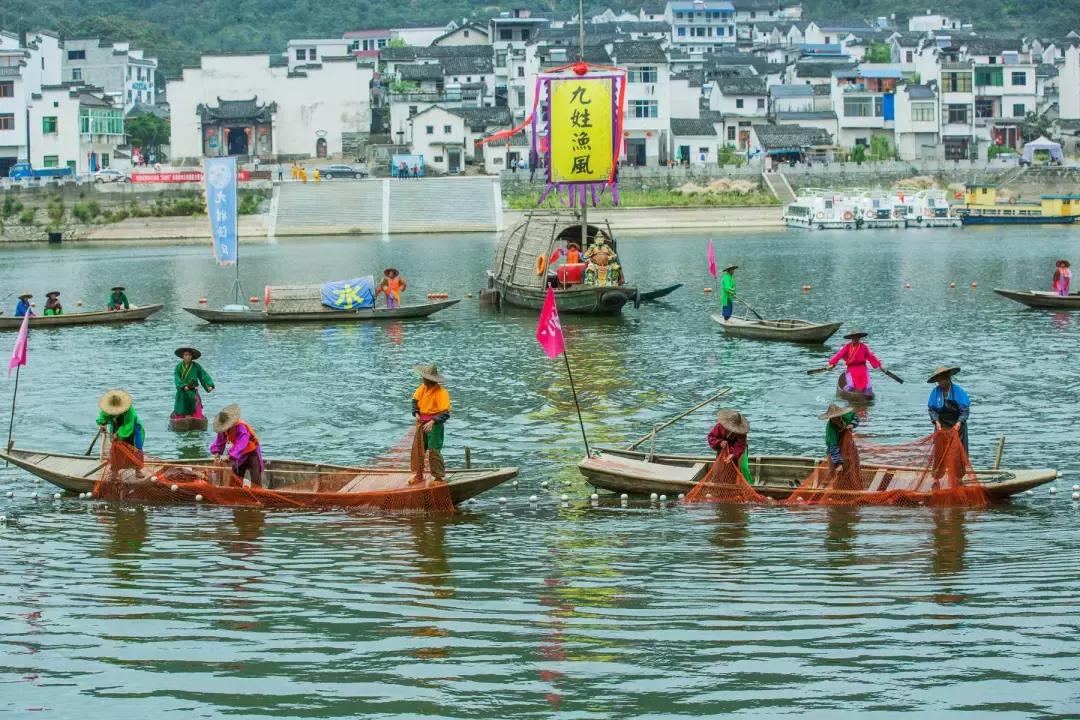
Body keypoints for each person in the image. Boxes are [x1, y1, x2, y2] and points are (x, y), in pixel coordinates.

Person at [411, 364, 451, 484]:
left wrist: (433, 421)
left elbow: (445, 412)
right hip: (421, 423)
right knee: (418, 450)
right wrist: (416, 413)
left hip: (435, 424)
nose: (423, 380)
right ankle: (418, 475)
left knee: (434, 450)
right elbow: (415, 401)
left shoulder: (441, 392)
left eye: (425, 378)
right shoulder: (422, 388)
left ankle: (438, 477)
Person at [210, 404, 264, 487]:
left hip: (251, 453)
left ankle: (259, 495)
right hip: (238, 456)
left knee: (255, 479)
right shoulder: (223, 430)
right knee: (236, 479)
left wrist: (231, 456)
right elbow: (219, 442)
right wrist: (217, 453)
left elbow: (242, 443)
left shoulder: (241, 427)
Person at [97, 389, 145, 467]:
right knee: (115, 447)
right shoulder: (107, 408)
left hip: (133, 428)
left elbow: (128, 426)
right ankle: (115, 470)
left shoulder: (129, 411)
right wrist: (102, 424)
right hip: (116, 426)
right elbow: (102, 418)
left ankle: (137, 469)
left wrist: (118, 434)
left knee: (136, 448)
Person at [828, 330, 887, 394]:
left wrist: (879, 364)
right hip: (851, 369)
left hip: (862, 369)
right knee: (851, 385)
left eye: (856, 337)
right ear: (851, 338)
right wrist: (832, 363)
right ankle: (851, 395)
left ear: (859, 338)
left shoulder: (863, 347)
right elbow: (839, 354)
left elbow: (871, 356)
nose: (854, 338)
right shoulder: (847, 346)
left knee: (866, 387)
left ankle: (862, 397)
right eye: (853, 337)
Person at [927, 365, 970, 453]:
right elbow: (932, 409)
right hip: (941, 426)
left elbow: (965, 410)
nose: (941, 381)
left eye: (943, 378)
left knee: (958, 451)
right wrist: (936, 421)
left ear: (948, 378)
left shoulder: (958, 391)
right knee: (941, 451)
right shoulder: (935, 392)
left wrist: (959, 422)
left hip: (957, 426)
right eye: (939, 380)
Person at [707, 409, 753, 483]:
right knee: (720, 470)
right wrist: (720, 443)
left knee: (743, 469)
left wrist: (734, 455)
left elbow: (741, 445)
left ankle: (747, 485)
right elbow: (711, 437)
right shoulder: (719, 426)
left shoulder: (741, 431)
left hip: (738, 451)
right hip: (723, 450)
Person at [172, 347, 215, 421]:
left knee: (196, 410)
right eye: (186, 355)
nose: (187, 357)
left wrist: (209, 385)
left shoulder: (196, 366)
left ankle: (197, 420)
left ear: (192, 356)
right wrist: (183, 386)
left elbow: (203, 376)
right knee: (181, 409)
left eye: (189, 355)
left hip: (192, 392)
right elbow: (177, 378)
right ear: (183, 356)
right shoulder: (178, 367)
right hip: (182, 392)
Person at [819, 403, 858, 474]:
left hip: (848, 446)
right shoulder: (830, 429)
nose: (835, 419)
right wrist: (839, 463)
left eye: (837, 416)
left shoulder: (847, 416)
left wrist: (852, 424)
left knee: (853, 468)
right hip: (834, 448)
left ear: (840, 415)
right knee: (834, 472)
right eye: (833, 418)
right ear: (830, 418)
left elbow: (855, 416)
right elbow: (833, 447)